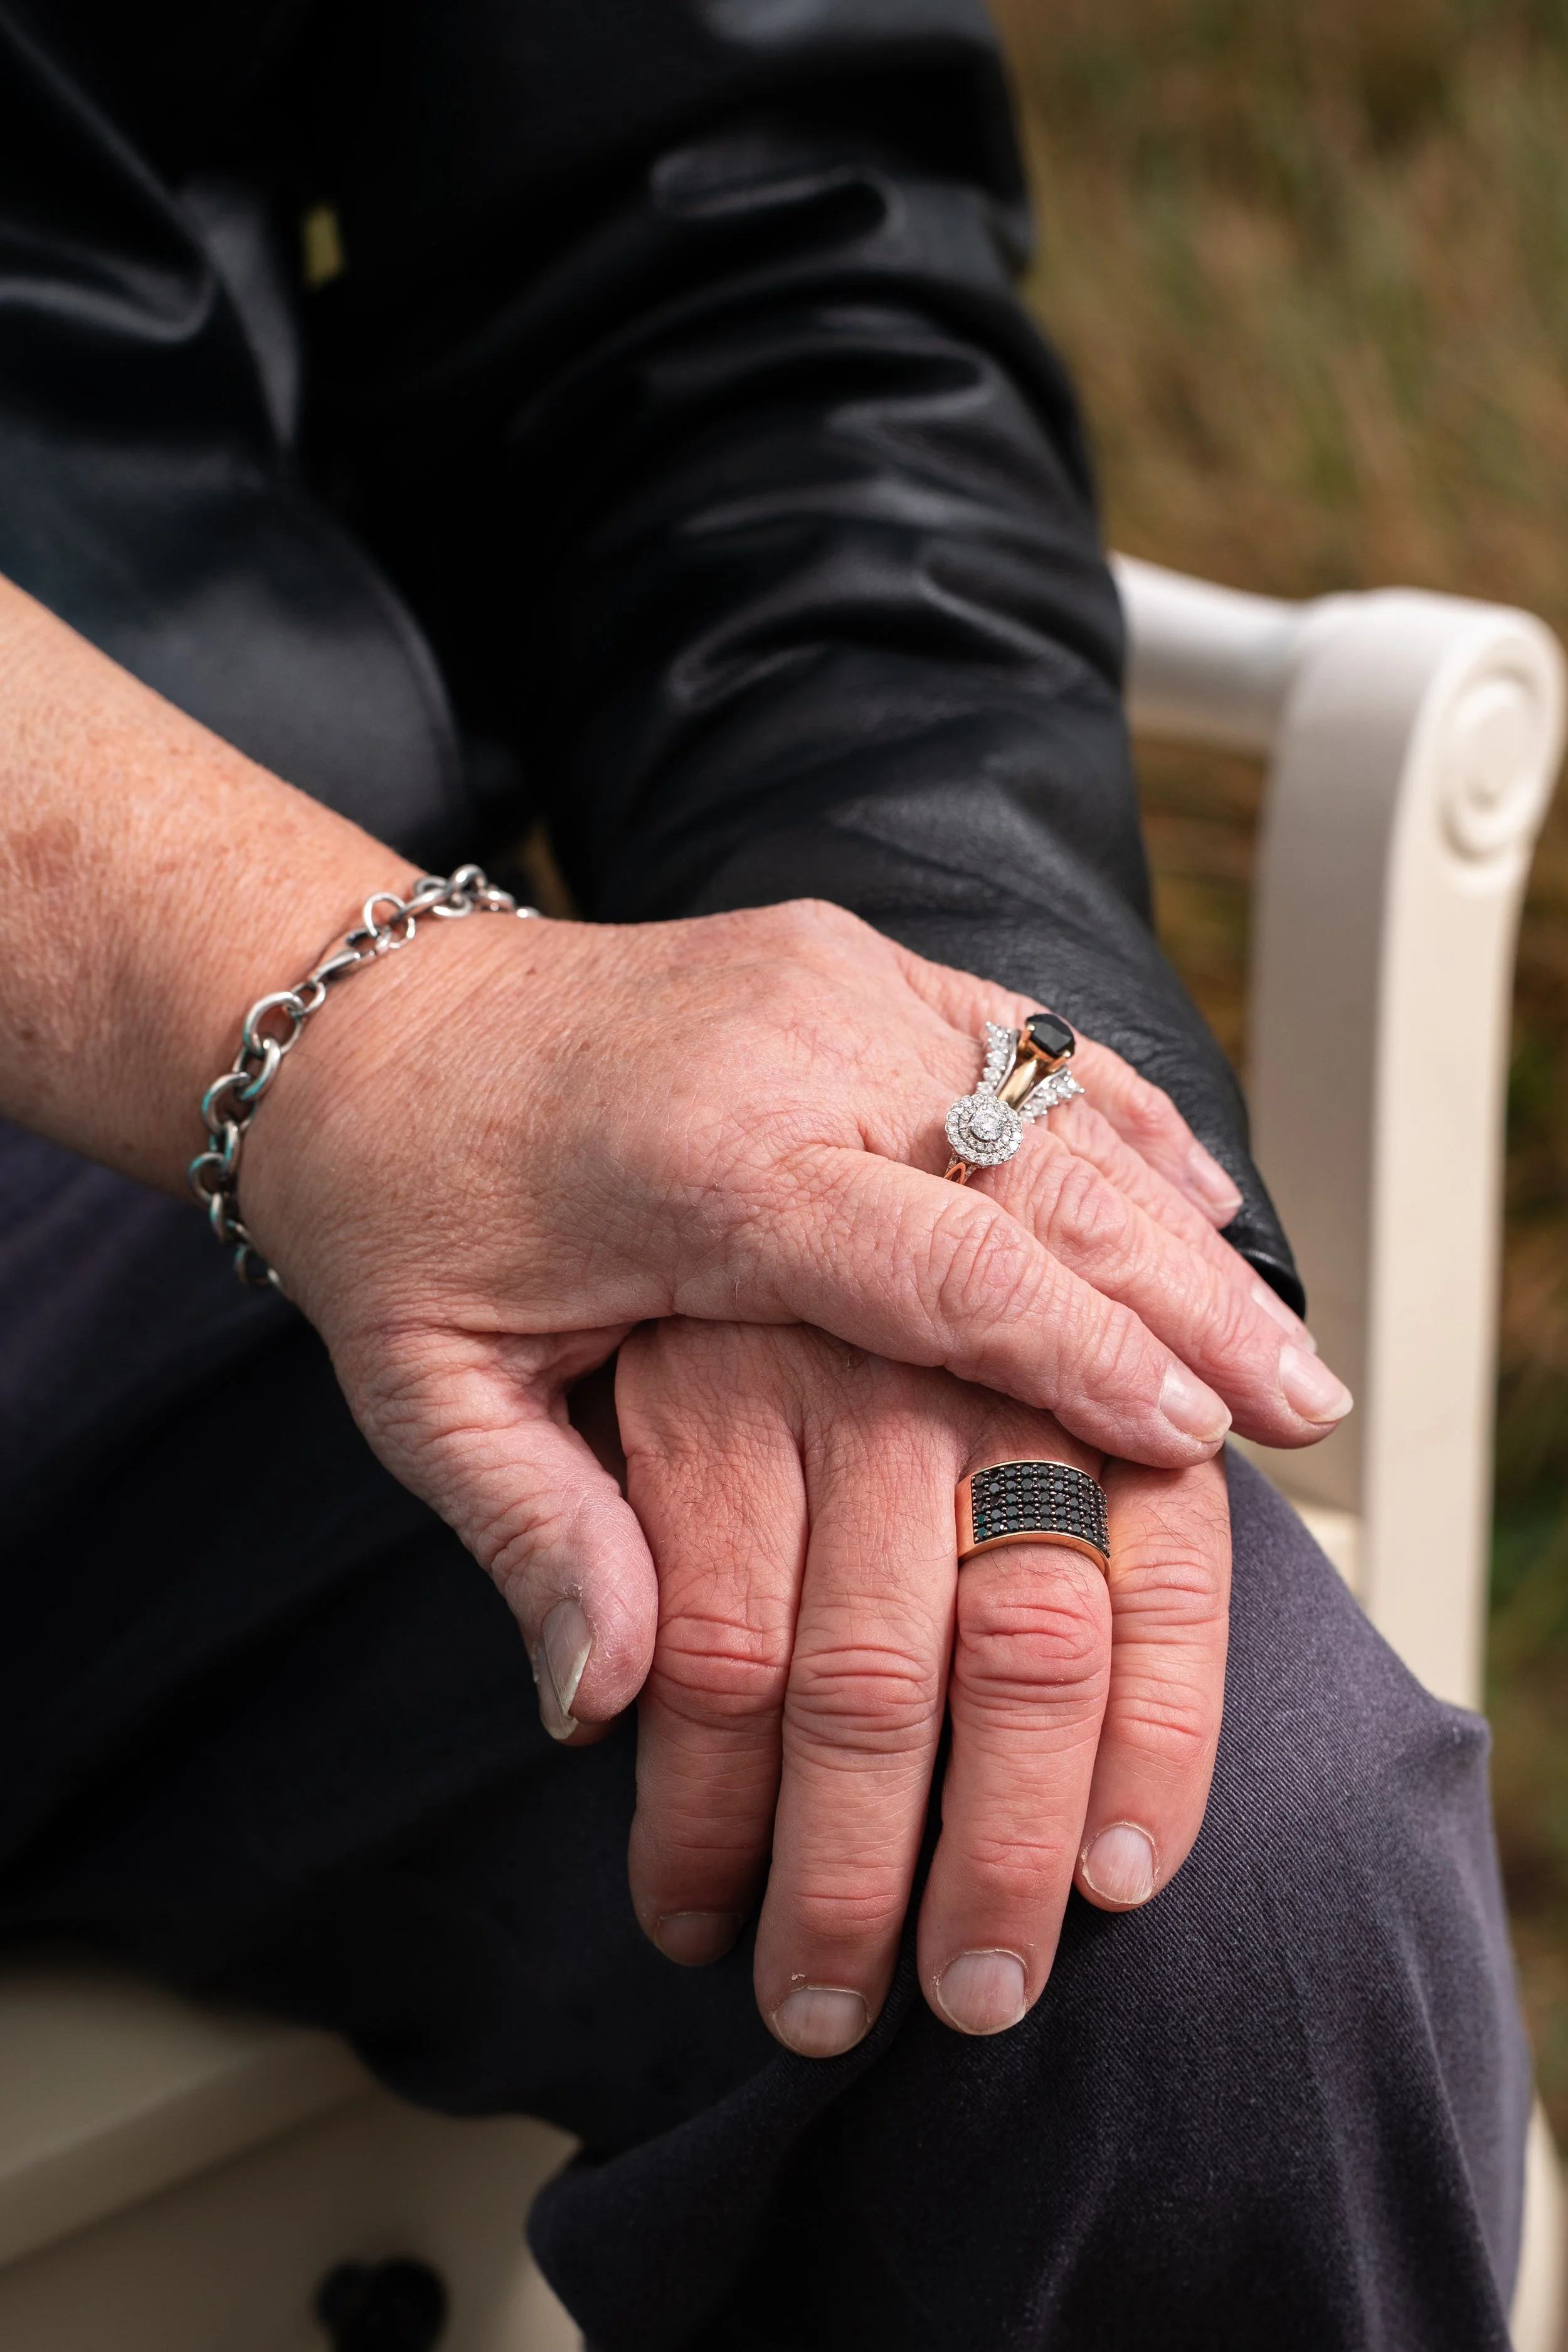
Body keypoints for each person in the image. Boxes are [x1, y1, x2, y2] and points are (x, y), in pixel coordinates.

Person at [0, 1, 1530, 2344]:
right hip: (284, 1026)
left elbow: (732, 271)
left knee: (1192, 1888)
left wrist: (927, 1161)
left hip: (169, 1228)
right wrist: (352, 1011)